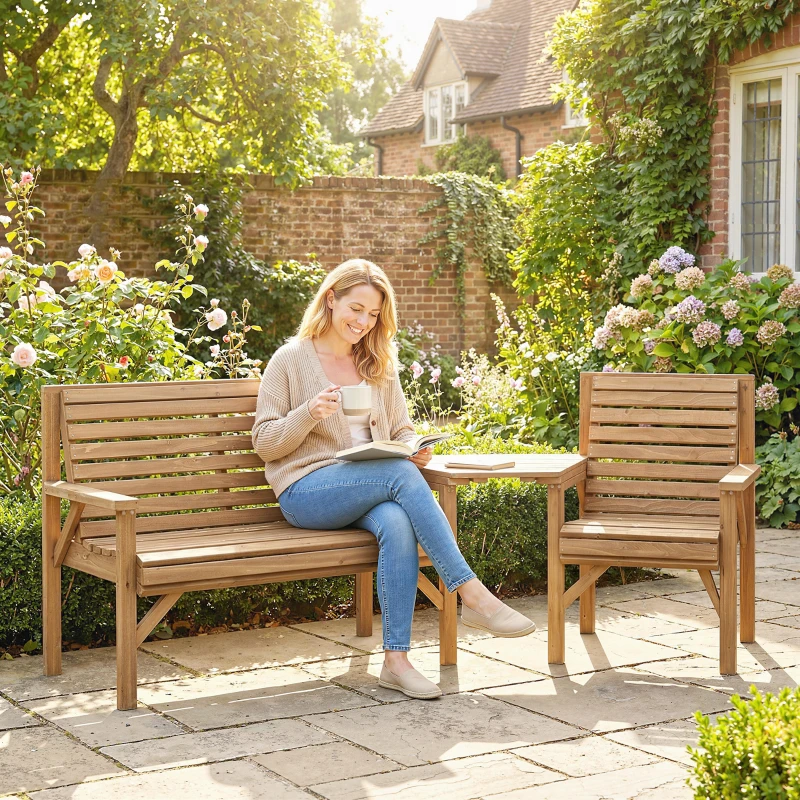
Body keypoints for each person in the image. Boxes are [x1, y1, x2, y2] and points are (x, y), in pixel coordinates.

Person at [252, 258, 536, 700]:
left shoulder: (377, 362)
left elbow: (401, 429)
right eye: (356, 308)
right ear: (331, 299)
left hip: (372, 484)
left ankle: (396, 663)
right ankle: (473, 595)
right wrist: (309, 413)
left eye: (373, 314)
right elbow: (265, 443)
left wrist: (415, 446)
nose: (363, 322)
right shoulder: (290, 360)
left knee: (398, 521)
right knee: (399, 474)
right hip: (307, 491)